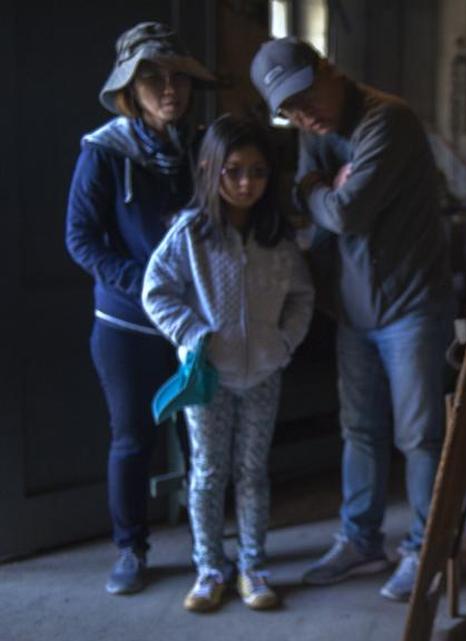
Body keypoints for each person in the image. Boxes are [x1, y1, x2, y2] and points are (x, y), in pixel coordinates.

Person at [248, 38, 455, 602]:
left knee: (418, 436)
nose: (302, 115)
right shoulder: (317, 132)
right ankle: (361, 540)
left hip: (410, 306)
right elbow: (314, 196)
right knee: (360, 431)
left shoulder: (388, 121)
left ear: (329, 70)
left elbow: (346, 211)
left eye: (304, 98)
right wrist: (317, 188)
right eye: (288, 111)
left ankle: (424, 549)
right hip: (353, 309)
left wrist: (315, 189)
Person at [142, 115, 315, 612]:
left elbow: (302, 296)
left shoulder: (277, 237)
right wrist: (194, 337)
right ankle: (209, 569)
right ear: (209, 169)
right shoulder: (190, 233)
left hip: (263, 373)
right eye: (233, 170)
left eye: (258, 172)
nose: (245, 183)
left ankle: (253, 567)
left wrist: (283, 344)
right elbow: (157, 292)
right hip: (208, 377)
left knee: (253, 471)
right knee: (208, 472)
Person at [65, 21, 214, 595]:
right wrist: (146, 286)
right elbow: (80, 239)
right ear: (129, 89)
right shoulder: (104, 152)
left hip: (198, 325)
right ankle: (131, 547)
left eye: (177, 76)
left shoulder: (205, 146)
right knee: (132, 440)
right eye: (152, 77)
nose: (168, 88)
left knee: (207, 439)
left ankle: (211, 550)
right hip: (126, 325)